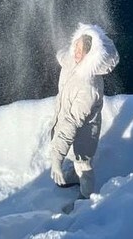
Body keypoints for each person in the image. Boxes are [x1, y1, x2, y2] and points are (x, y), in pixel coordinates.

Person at [49, 22, 119, 199]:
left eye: (83, 50)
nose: (77, 52)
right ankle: (76, 174)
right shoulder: (73, 61)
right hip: (68, 123)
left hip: (84, 134)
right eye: (76, 46)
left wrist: (56, 159)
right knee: (75, 158)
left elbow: (71, 124)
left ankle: (86, 196)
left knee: (83, 162)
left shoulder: (88, 87)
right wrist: (88, 32)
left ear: (92, 55)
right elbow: (63, 55)